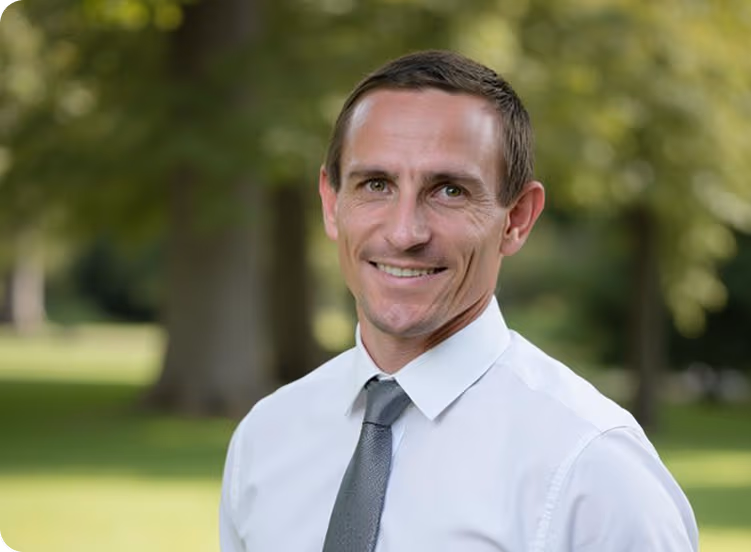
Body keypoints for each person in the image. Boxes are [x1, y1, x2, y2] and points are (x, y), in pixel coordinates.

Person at [219, 50, 698, 552]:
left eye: (449, 190)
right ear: (331, 202)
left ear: (517, 219)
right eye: (376, 184)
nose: (404, 232)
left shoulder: (592, 470)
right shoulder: (264, 440)